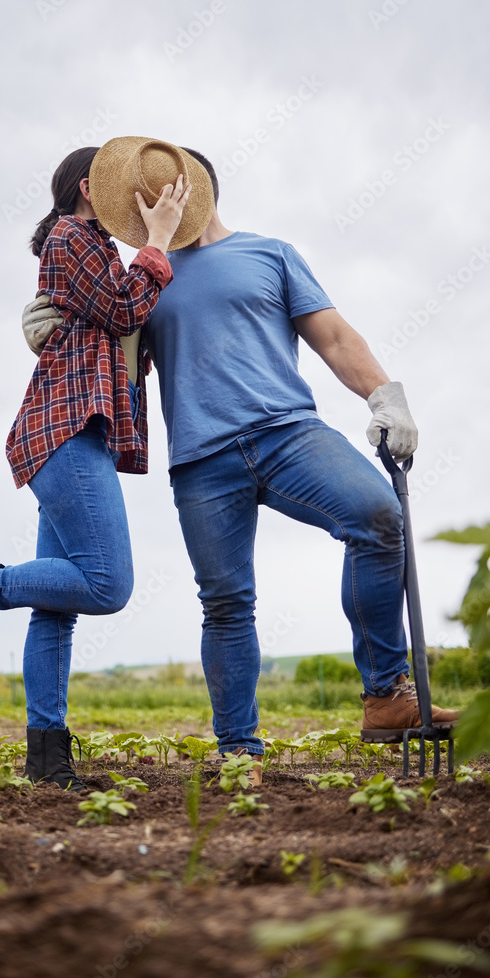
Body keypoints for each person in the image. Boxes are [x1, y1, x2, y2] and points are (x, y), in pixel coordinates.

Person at [23, 139, 459, 787]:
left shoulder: (269, 254)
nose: (143, 209)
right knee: (226, 604)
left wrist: (383, 395)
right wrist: (58, 336)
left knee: (376, 516)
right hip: (202, 463)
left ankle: (385, 696)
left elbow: (334, 337)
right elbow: (117, 373)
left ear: (191, 188)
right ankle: (238, 750)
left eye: (156, 194)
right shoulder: (144, 276)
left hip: (288, 434)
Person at [0, 142, 212, 793]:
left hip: (78, 432)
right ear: (90, 188)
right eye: (122, 189)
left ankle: (46, 761)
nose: (133, 204)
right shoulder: (72, 236)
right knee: (107, 584)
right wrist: (152, 246)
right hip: (65, 431)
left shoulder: (98, 253)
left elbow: (123, 335)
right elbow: (122, 309)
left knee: (57, 607)